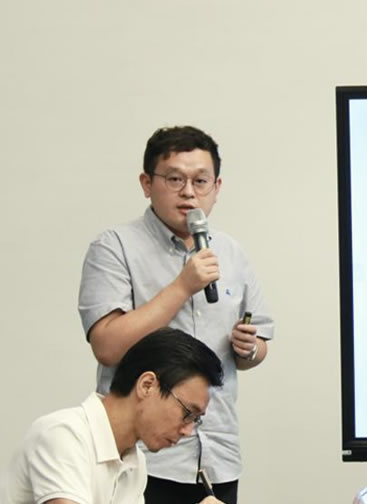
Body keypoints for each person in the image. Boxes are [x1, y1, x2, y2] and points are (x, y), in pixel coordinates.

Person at [77, 126, 275, 504]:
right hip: (141, 458)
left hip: (217, 454)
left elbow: (258, 346)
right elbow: (107, 345)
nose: (188, 192)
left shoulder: (232, 253)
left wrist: (249, 348)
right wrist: (182, 287)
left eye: (200, 181)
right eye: (174, 179)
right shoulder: (114, 247)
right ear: (146, 183)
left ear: (217, 187)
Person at [5, 327, 225, 504]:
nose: (188, 431)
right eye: (188, 413)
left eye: (196, 419)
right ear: (147, 385)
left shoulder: (135, 462)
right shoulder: (63, 435)